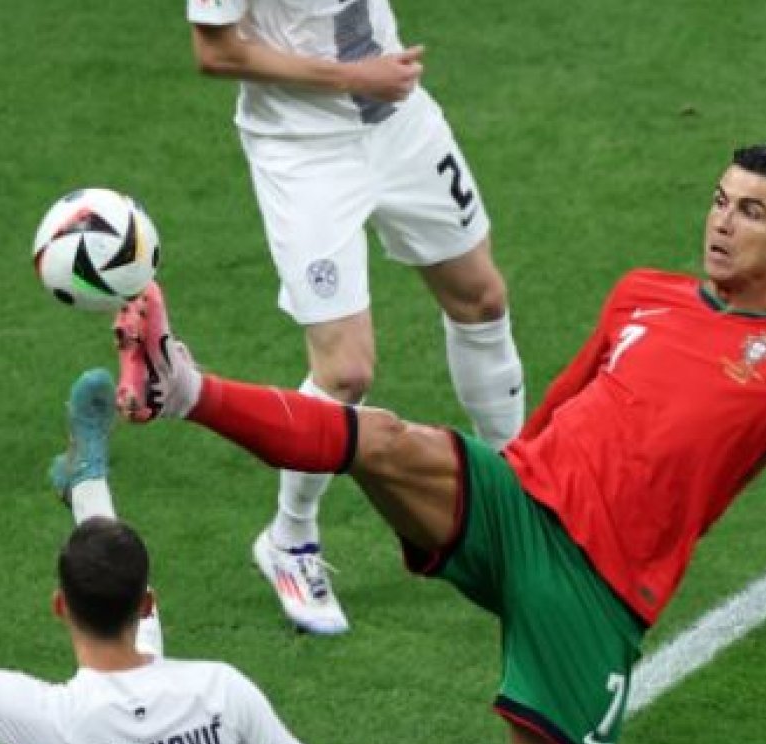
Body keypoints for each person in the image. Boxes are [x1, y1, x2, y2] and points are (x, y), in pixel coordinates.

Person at [111, 145, 766, 744]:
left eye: (751, 211)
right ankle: (180, 385)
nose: (722, 221)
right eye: (720, 200)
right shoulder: (641, 293)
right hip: (517, 507)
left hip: (598, 591)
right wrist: (505, 471)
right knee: (388, 439)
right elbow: (565, 402)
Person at [143, 0, 526, 635]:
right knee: (345, 370)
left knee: (480, 297)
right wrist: (356, 76)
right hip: (305, 154)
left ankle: (517, 494)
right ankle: (290, 540)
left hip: (400, 124)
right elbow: (216, 51)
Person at [0, 370, 309, 744]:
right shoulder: (221, 692)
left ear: (60, 606)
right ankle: (87, 480)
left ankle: (87, 479)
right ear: (147, 605)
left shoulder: (50, 721)